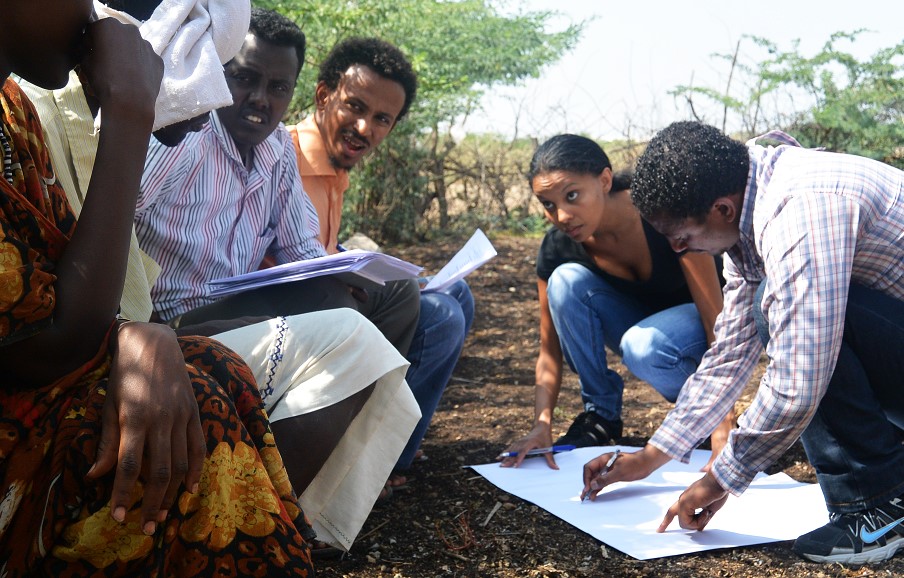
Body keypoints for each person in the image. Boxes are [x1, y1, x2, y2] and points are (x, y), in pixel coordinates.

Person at [19, 1, 420, 553]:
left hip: (234, 305)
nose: (260, 99)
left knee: (395, 295)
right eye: (245, 79)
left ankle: (324, 489)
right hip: (169, 316)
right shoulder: (183, 135)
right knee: (339, 308)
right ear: (217, 73)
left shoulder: (277, 152)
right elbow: (113, 221)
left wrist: (347, 273)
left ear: (294, 91)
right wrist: (131, 328)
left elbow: (303, 248)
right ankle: (277, 518)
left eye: (277, 87)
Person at [0, 4, 316, 574]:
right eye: (244, 78)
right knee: (181, 412)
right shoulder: (167, 134)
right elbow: (46, 348)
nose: (90, 12)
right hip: (36, 402)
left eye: (277, 87)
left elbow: (51, 292)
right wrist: (130, 114)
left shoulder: (10, 113)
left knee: (215, 371)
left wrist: (134, 336)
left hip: (88, 343)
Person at [581, 121, 904, 565]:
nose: (679, 250)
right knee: (768, 305)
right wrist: (650, 457)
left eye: (683, 238)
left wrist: (721, 478)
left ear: (721, 210)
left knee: (800, 318)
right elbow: (729, 351)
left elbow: (798, 379)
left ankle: (878, 505)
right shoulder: (751, 201)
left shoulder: (802, 211)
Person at [286, 36, 474, 479]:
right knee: (443, 316)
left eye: (382, 119)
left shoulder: (334, 169)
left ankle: (391, 447)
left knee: (456, 293)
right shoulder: (283, 155)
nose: (365, 128)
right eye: (354, 107)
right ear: (322, 95)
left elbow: (322, 249)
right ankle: (367, 464)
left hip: (330, 299)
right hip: (295, 319)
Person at [499, 134, 731, 469]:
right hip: (644, 331)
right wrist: (542, 424)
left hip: (708, 327)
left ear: (605, 180)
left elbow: (716, 321)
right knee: (565, 281)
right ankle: (601, 416)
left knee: (644, 346)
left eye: (572, 196)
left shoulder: (661, 213)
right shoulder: (558, 247)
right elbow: (549, 351)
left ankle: (702, 415)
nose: (561, 215)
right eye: (548, 204)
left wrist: (722, 419)